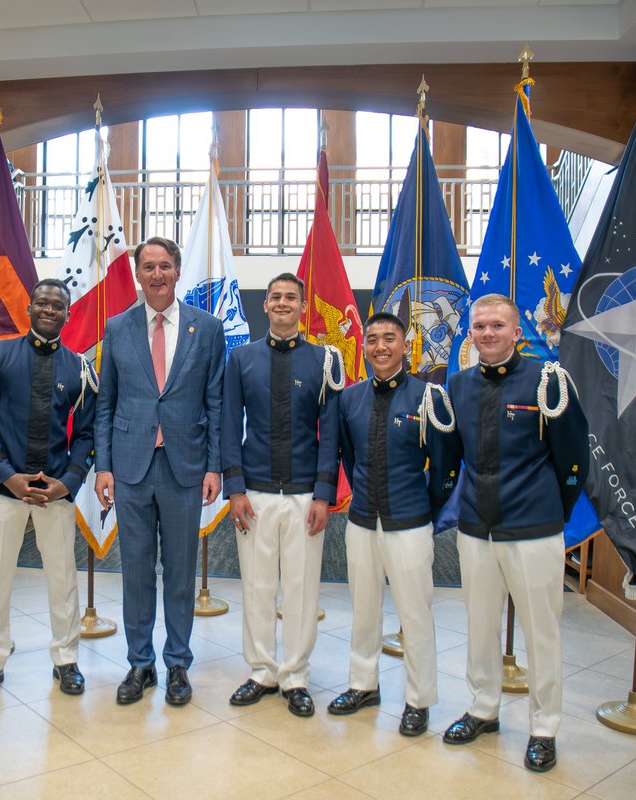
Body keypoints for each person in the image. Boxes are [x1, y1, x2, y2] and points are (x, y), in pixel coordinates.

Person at [442, 294, 588, 773]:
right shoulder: (458, 385)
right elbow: (453, 457)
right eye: (480, 326)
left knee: (541, 632)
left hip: (533, 528)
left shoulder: (548, 381)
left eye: (497, 325)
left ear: (517, 332)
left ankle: (544, 728)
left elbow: (573, 459)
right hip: (476, 528)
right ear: (470, 333)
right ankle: (483, 708)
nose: (487, 333)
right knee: (479, 625)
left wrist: (551, 510)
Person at [94, 236, 225, 706]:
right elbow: (106, 402)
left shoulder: (206, 328)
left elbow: (216, 402)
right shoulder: (117, 327)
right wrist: (103, 466)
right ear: (137, 274)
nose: (156, 274)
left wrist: (214, 467)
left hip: (185, 467)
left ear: (177, 271)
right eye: (148, 266)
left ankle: (178, 664)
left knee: (180, 572)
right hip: (130, 467)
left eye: (164, 266)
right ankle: (140, 663)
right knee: (135, 571)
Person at [0, 279, 96, 701]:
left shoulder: (79, 368)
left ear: (68, 314)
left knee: (62, 577)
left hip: (54, 490)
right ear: (29, 308)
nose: (49, 310)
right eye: (42, 303)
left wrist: (68, 481)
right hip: (4, 489)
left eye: (58, 305)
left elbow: (88, 434)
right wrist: (6, 475)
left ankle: (66, 660)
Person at [221, 273, 342, 717]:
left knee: (301, 588)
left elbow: (331, 431)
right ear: (266, 305)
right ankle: (261, 671)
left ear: (304, 306)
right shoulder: (241, 358)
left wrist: (324, 493)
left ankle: (295, 676)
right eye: (276, 297)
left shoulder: (325, 360)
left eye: (291, 297)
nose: (283, 303)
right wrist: (235, 488)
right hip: (254, 492)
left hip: (305, 493)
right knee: (257, 586)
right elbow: (229, 425)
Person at [334, 313, 459, 735]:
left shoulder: (429, 397)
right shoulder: (350, 399)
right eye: (372, 339)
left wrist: (424, 508)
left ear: (406, 346)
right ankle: (363, 685)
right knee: (364, 610)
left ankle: (419, 700)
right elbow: (349, 458)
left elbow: (445, 466)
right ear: (364, 347)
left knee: (415, 614)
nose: (381, 346)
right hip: (362, 522)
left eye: (390, 338)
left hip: (410, 522)